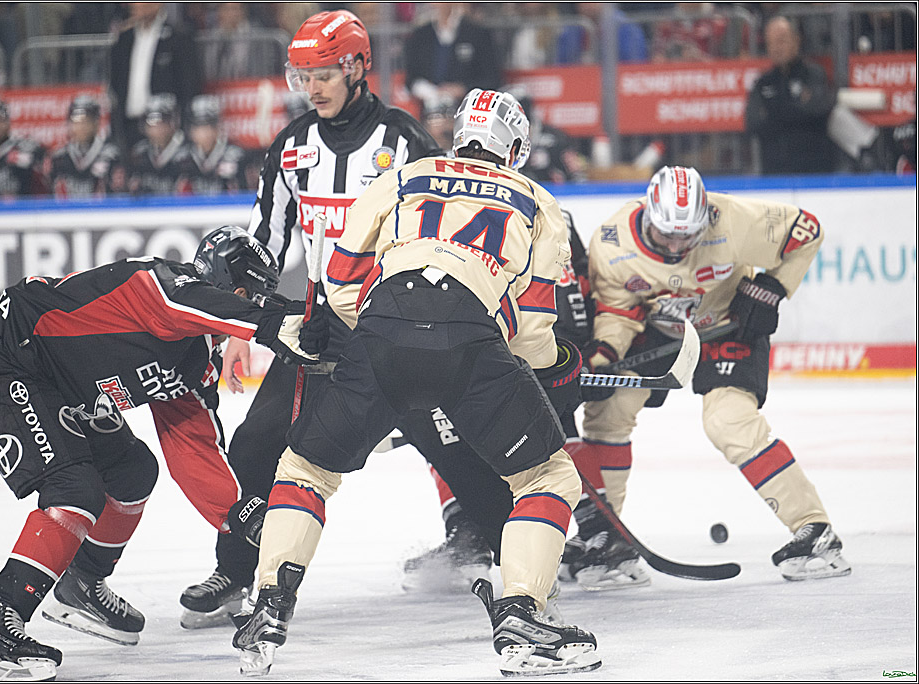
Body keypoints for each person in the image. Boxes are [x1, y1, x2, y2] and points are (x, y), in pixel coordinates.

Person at [231, 88, 600, 677]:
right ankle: (524, 612)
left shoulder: (407, 174)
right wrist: (557, 361)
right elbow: (532, 333)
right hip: (468, 340)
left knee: (304, 470)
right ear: (517, 147)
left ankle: (270, 603)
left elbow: (340, 280)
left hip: (377, 332)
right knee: (549, 475)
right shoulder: (538, 201)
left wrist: (389, 335)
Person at [178, 9, 517, 629]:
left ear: (358, 66)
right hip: (315, 328)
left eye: (326, 72)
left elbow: (452, 229)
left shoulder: (405, 140)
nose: (314, 87)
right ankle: (239, 569)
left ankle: (521, 561)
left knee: (457, 443)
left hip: (398, 326)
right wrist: (231, 330)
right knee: (256, 444)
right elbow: (263, 244)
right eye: (303, 75)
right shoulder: (292, 146)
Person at [0, 225, 322, 682]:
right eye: (252, 295)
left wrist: (241, 513)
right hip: (6, 360)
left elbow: (193, 447)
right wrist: (279, 321)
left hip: (58, 388)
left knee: (132, 469)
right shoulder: (157, 285)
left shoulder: (194, 356)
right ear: (238, 289)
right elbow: (193, 303)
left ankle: (82, 581)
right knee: (74, 489)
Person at [560, 165, 852, 589]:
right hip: (658, 333)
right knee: (608, 412)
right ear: (648, 216)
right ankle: (608, 540)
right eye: (667, 235)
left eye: (688, 235)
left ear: (705, 218)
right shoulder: (612, 241)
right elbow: (619, 312)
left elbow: (806, 231)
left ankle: (815, 531)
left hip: (729, 325)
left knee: (728, 421)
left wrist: (773, 285)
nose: (678, 245)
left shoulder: (730, 217)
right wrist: (603, 356)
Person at [745, 16, 839, 175]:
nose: (776, 48)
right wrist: (796, 108)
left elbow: (820, 109)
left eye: (781, 41)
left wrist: (774, 112)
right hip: (775, 173)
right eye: (771, 43)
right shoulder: (763, 83)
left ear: (796, 41)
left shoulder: (814, 74)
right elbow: (752, 122)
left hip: (815, 172)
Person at [108, 2, 203, 151]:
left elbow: (189, 85)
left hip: (165, 128)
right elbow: (115, 82)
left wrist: (180, 123)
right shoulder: (124, 39)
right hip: (130, 126)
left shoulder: (178, 37)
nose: (137, 5)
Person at [404, 3, 503, 116]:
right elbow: (411, 79)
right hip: (430, 110)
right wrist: (431, 92)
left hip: (469, 111)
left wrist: (462, 89)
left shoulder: (478, 34)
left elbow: (492, 79)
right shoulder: (420, 35)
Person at [49, 95, 125, 198]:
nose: (80, 127)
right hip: (67, 212)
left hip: (103, 212)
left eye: (86, 121)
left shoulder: (110, 154)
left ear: (96, 122)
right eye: (76, 122)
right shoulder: (59, 156)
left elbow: (119, 194)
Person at [179, 94, 249, 195]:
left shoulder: (236, 156)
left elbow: (244, 193)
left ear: (217, 126)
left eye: (209, 125)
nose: (204, 133)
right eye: (198, 126)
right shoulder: (182, 158)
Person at [126, 93, 189, 196]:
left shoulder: (187, 152)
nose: (155, 128)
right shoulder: (140, 153)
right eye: (151, 122)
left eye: (161, 122)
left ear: (174, 121)